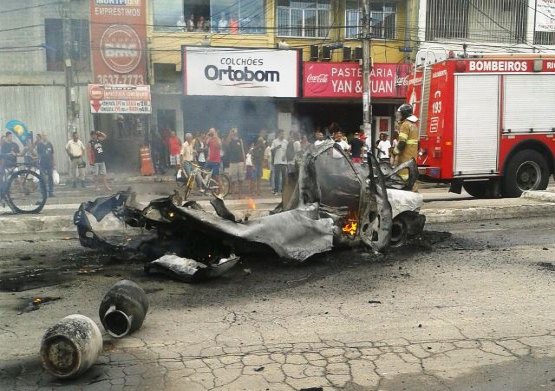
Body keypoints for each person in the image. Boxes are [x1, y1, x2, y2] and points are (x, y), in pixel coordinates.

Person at [393, 103, 419, 182]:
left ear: (405, 114)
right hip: (412, 156)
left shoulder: (405, 125)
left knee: (403, 176)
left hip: (405, 157)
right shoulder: (414, 125)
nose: (399, 116)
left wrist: (394, 152)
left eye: (400, 114)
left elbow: (402, 143)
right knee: (411, 176)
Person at [225, 128, 245, 196]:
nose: (234, 132)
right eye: (233, 131)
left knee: (241, 179)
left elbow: (243, 151)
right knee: (233, 179)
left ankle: (240, 194)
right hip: (233, 162)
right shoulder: (230, 140)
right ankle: (233, 194)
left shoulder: (240, 140)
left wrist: (244, 161)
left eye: (235, 131)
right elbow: (226, 142)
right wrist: (230, 133)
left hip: (240, 161)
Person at [271, 129, 288, 195]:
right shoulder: (275, 141)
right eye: (282, 134)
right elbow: (271, 150)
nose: (283, 135)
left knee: (284, 177)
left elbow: (286, 150)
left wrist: (285, 155)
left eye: (283, 134)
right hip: (277, 162)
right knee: (276, 177)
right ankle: (276, 190)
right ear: (278, 134)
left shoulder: (285, 142)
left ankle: (283, 190)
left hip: (284, 162)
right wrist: (276, 148)